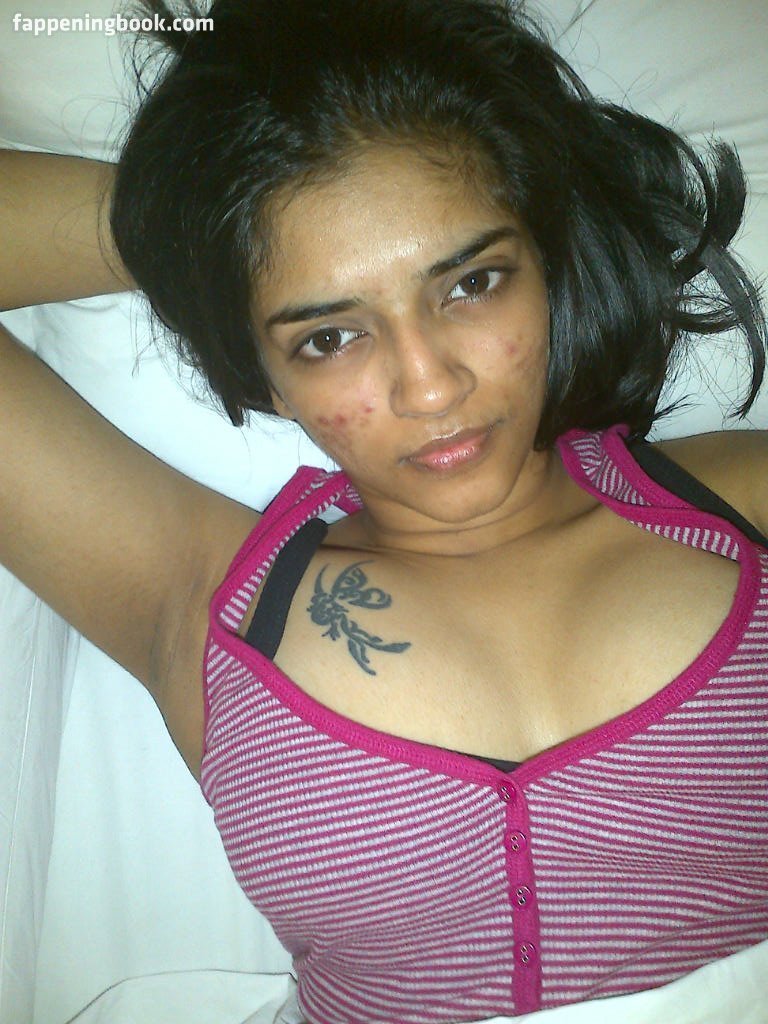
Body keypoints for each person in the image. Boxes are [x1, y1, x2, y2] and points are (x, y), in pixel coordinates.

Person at [1, 0, 767, 1021]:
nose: (430, 384)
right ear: (263, 372)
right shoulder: (205, 604)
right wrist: (208, 234)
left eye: (472, 283)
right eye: (328, 336)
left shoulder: (744, 507)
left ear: (546, 266)